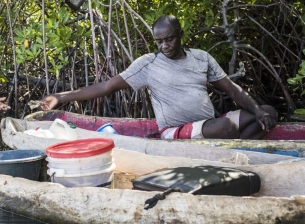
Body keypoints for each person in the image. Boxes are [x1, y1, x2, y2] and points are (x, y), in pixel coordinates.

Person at [40, 15, 277, 140]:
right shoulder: (148, 64)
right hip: (175, 131)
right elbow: (106, 86)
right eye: (159, 41)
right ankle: (234, 145)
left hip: (208, 126)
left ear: (181, 35)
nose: (164, 46)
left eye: (170, 39)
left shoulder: (201, 58)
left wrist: (258, 111)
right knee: (225, 126)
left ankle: (235, 147)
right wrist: (60, 97)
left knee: (268, 112)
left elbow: (232, 90)